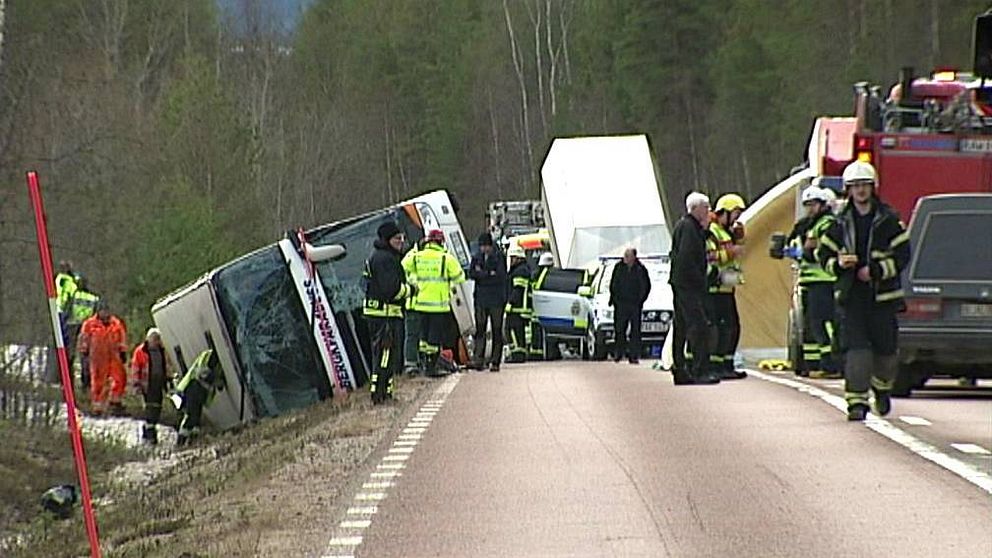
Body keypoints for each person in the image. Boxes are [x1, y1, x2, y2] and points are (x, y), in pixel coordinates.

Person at [817, 161, 910, 421]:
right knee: (857, 349)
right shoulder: (838, 222)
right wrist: (837, 264)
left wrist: (877, 271)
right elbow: (822, 253)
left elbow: (903, 254)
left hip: (883, 297)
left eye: (864, 185)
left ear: (873, 188)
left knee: (886, 352)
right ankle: (857, 403)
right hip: (852, 295)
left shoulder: (889, 220)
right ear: (848, 190)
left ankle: (881, 389)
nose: (860, 191)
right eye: (855, 186)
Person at [670, 192, 720, 385]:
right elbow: (687, 258)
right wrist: (700, 281)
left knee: (681, 326)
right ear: (696, 208)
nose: (708, 211)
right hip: (688, 286)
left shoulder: (688, 227)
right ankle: (699, 370)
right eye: (706, 207)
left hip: (681, 284)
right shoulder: (689, 229)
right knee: (698, 326)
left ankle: (681, 369)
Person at [792, 186, 841, 379]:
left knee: (823, 323)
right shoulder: (811, 225)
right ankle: (814, 363)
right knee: (813, 325)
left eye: (813, 205)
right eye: (807, 205)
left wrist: (807, 251)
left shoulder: (826, 224)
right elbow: (804, 248)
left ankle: (831, 363)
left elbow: (818, 251)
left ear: (822, 205)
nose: (809, 209)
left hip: (823, 281)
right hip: (811, 282)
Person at [363, 222, 415, 403]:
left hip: (383, 314)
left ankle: (385, 392)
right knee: (384, 357)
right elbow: (391, 290)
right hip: (384, 316)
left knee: (387, 356)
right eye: (397, 238)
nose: (401, 242)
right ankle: (380, 394)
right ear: (387, 240)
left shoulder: (381, 257)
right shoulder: (385, 259)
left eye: (402, 238)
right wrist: (410, 291)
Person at [401, 229, 465, 376]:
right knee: (434, 339)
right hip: (438, 306)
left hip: (420, 304)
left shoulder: (416, 256)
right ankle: (431, 367)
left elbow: (402, 267)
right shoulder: (445, 258)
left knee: (422, 338)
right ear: (441, 242)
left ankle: (423, 365)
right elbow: (459, 276)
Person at [707, 194, 748, 380]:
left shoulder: (726, 231)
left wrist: (738, 239)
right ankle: (717, 365)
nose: (737, 218)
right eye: (736, 213)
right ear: (725, 212)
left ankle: (726, 364)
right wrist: (730, 252)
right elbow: (711, 256)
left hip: (726, 287)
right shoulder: (712, 231)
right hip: (715, 289)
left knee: (732, 327)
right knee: (723, 328)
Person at [77, 301, 128, 415]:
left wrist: (123, 351)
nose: (105, 313)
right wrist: (84, 352)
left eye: (107, 311)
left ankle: (115, 401)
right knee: (98, 380)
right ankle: (97, 405)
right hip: (97, 357)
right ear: (98, 311)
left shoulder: (116, 323)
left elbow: (122, 338)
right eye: (103, 311)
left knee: (120, 377)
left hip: (113, 355)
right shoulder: (89, 324)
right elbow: (84, 338)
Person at [469, 232, 507, 372]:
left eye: (486, 246)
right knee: (480, 329)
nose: (484, 249)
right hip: (480, 299)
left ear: (491, 246)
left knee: (497, 330)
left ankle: (495, 361)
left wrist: (482, 274)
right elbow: (471, 273)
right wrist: (487, 273)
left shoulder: (499, 257)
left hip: (496, 299)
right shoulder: (476, 257)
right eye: (482, 246)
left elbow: (500, 276)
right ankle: (478, 359)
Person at [131, 328, 174, 444]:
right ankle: (150, 434)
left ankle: (149, 428)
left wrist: (170, 380)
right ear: (149, 339)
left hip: (159, 384)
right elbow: (135, 368)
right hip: (146, 385)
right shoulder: (140, 351)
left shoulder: (162, 351)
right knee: (150, 409)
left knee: (157, 408)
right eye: (155, 339)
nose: (157, 341)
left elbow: (167, 366)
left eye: (158, 339)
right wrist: (136, 384)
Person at [609, 248, 651, 364]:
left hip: (635, 304)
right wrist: (615, 299)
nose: (626, 258)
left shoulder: (640, 269)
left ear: (634, 257)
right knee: (619, 329)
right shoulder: (619, 268)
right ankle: (619, 352)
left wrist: (640, 300)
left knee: (635, 331)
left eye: (628, 256)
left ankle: (633, 355)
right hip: (621, 304)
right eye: (625, 256)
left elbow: (646, 285)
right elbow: (613, 284)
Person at [175, 348, 225, 445]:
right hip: (194, 388)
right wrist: (215, 381)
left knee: (196, 418)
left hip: (200, 392)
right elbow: (202, 373)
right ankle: (181, 442)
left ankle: (191, 442)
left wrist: (218, 382)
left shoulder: (217, 363)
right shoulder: (209, 357)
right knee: (191, 416)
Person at [66, 276, 100, 388]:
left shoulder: (73, 296)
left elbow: (67, 309)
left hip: (75, 325)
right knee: (84, 354)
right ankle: (85, 381)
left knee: (73, 354)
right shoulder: (94, 298)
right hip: (86, 326)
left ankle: (70, 380)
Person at [530, 251, 561, 361]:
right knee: (548, 334)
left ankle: (538, 353)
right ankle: (550, 353)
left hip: (536, 310)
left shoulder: (535, 275)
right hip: (548, 310)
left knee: (537, 333)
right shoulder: (554, 275)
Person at [402, 238, 426, 375]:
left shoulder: (411, 257)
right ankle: (411, 363)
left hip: (425, 305)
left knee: (422, 337)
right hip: (414, 305)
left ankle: (420, 362)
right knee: (412, 335)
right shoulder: (411, 258)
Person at [504, 245, 532, 364]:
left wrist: (510, 303)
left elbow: (518, 289)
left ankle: (518, 354)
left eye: (513, 258)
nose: (511, 260)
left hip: (518, 308)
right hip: (519, 308)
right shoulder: (521, 269)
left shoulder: (520, 271)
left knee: (512, 330)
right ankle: (517, 353)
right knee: (516, 331)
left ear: (518, 258)